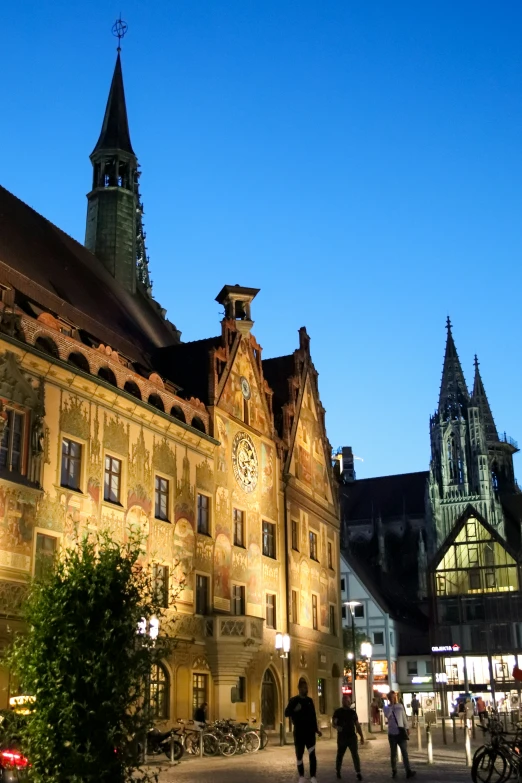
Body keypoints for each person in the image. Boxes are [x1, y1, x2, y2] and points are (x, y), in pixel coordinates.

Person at [285, 677, 322, 783]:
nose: (306, 690)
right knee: (299, 755)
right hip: (299, 732)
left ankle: (313, 776)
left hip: (310, 733)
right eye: (304, 688)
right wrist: (294, 710)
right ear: (299, 689)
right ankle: (301, 776)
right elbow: (286, 713)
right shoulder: (294, 700)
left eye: (307, 688)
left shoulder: (310, 701)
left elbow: (313, 716)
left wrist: (316, 730)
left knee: (312, 755)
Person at [383, 691, 416, 779]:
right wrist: (392, 705)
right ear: (389, 698)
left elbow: (404, 717)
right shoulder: (386, 708)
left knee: (404, 752)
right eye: (392, 697)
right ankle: (394, 770)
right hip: (392, 734)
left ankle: (408, 771)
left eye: (395, 697)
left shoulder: (400, 706)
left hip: (400, 732)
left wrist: (407, 728)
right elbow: (388, 716)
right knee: (393, 754)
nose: (394, 698)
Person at [332, 694, 364, 780]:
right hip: (342, 737)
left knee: (355, 755)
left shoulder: (352, 712)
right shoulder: (338, 712)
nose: (347, 702)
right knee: (340, 755)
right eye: (345, 700)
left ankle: (358, 772)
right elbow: (334, 723)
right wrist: (337, 727)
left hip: (352, 737)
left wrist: (361, 736)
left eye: (348, 700)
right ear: (343, 701)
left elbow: (357, 725)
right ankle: (338, 771)